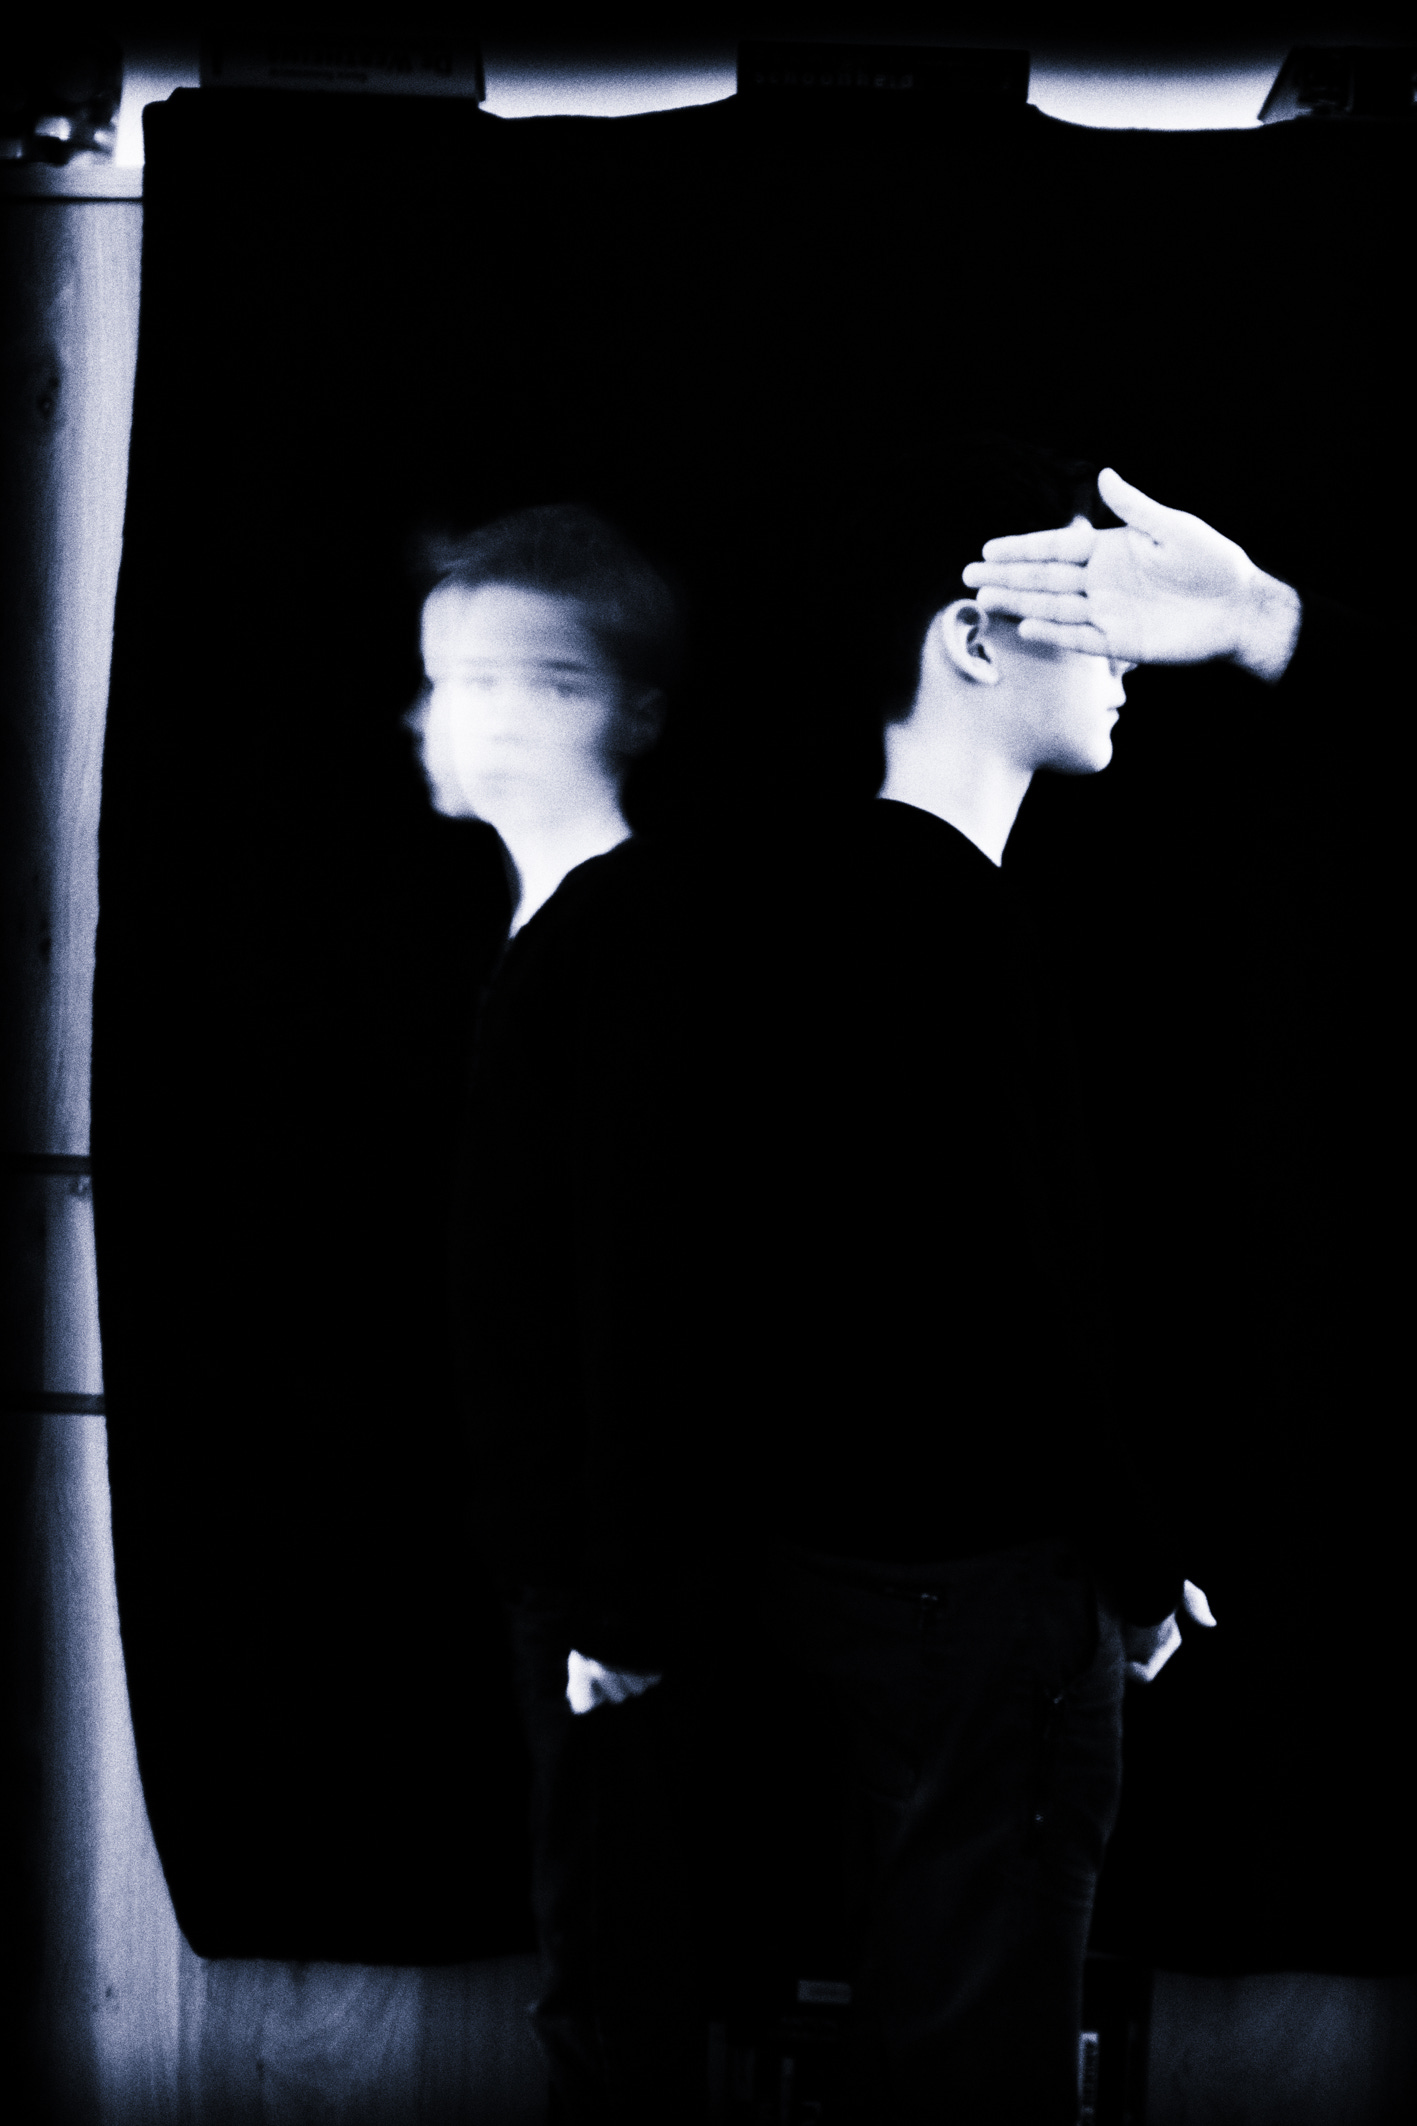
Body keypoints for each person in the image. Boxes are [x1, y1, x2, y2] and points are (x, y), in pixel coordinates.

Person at [455, 438, 1337, 2122]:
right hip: (967, 1609)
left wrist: (595, 1591)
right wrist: (1133, 1562)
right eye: (1092, 617)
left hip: (711, 1616)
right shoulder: (956, 924)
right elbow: (1019, 1294)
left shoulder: (661, 913)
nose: (1128, 669)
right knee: (968, 2065)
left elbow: (548, 1287)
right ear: (974, 636)